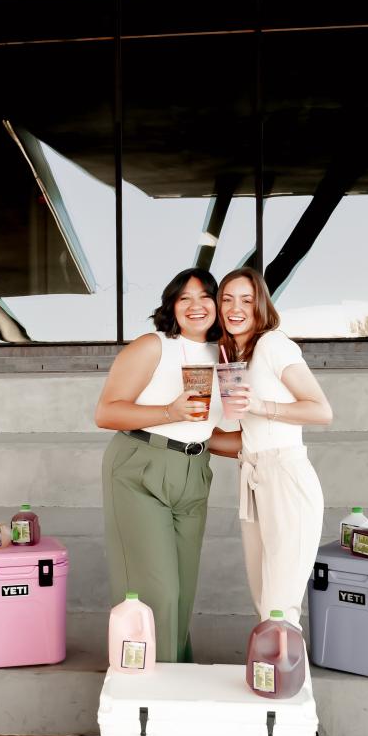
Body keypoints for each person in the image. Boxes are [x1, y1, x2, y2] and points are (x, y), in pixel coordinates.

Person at [94, 269, 238, 662]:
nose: (196, 306)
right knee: (158, 592)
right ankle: (150, 691)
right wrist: (169, 410)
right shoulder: (153, 346)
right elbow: (106, 413)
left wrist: (267, 445)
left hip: (194, 471)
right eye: (184, 298)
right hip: (141, 465)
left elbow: (207, 432)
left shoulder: (225, 355)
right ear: (172, 306)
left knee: (184, 591)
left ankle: (174, 675)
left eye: (205, 297)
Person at [217, 267, 332, 626]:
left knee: (280, 606)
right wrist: (180, 433)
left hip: (286, 477)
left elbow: (321, 410)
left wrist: (261, 407)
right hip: (253, 477)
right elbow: (246, 438)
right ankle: (271, 675)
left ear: (261, 306)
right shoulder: (232, 357)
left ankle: (286, 680)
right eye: (227, 299)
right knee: (263, 597)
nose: (236, 308)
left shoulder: (273, 344)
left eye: (247, 300)